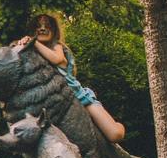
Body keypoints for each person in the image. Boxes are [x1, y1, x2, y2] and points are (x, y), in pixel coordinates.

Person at [16, 12, 126, 144]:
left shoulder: (57, 47)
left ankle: (119, 124)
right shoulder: (35, 54)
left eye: (47, 26)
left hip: (79, 98)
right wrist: (22, 44)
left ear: (54, 31)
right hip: (54, 102)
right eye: (38, 26)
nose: (42, 28)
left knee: (115, 135)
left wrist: (33, 42)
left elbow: (57, 59)